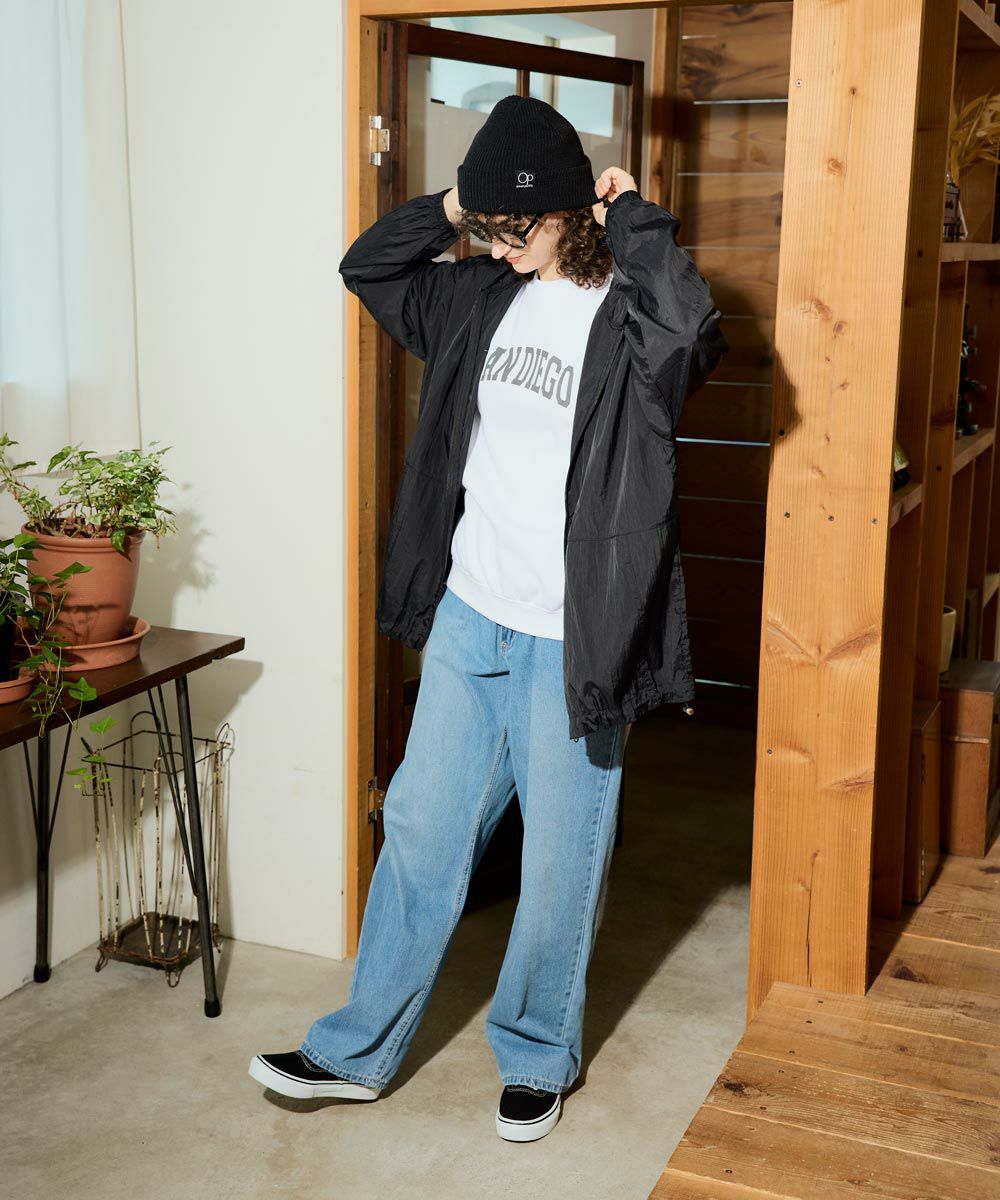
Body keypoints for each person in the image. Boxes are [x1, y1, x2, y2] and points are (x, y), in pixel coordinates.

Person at [250, 96, 727, 1143]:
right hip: (472, 617)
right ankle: (355, 1051)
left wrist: (632, 213)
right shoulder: (477, 298)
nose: (502, 250)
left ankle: (537, 1054)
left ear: (569, 212)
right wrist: (454, 206)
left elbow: (695, 324)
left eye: (521, 230)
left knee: (559, 857)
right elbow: (368, 268)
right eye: (491, 232)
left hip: (572, 633)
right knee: (420, 830)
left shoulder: (631, 320)